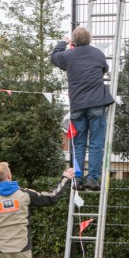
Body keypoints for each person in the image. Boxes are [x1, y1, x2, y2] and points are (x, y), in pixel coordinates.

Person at [51, 26, 115, 191]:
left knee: (78, 144)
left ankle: (77, 179)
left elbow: (54, 57)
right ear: (90, 39)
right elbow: (104, 70)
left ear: (73, 41)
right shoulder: (98, 54)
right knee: (96, 144)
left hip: (78, 105)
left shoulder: (68, 56)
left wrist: (63, 43)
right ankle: (92, 179)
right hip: (96, 104)